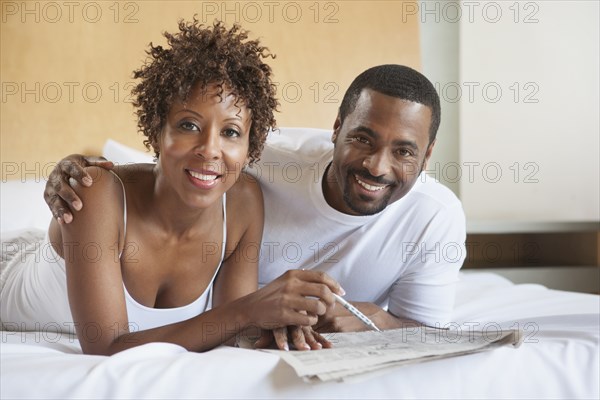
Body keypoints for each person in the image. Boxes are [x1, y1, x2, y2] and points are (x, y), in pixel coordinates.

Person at [0, 20, 345, 355]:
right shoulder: (96, 195)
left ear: (250, 146)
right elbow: (106, 346)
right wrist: (251, 309)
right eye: (189, 124)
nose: (210, 149)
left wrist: (279, 321)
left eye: (231, 132)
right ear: (156, 130)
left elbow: (231, 334)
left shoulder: (243, 202)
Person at [43, 64, 467, 337]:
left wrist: (371, 318)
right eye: (362, 138)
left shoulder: (435, 216)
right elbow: (169, 172)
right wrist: (78, 172)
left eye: (405, 151)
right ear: (335, 128)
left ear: (427, 156)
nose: (377, 166)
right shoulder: (260, 157)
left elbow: (427, 333)